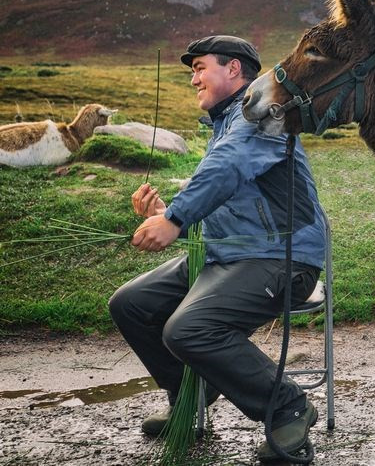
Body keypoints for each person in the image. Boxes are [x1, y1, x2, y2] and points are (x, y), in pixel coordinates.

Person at [109, 35, 327, 463]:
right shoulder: (227, 122)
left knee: (188, 329)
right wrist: (168, 209)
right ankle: (194, 392)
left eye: (199, 67)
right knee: (131, 304)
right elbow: (225, 186)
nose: (194, 79)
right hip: (227, 254)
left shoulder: (260, 116)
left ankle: (287, 407)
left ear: (233, 70)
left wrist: (174, 221)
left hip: (280, 258)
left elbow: (228, 166)